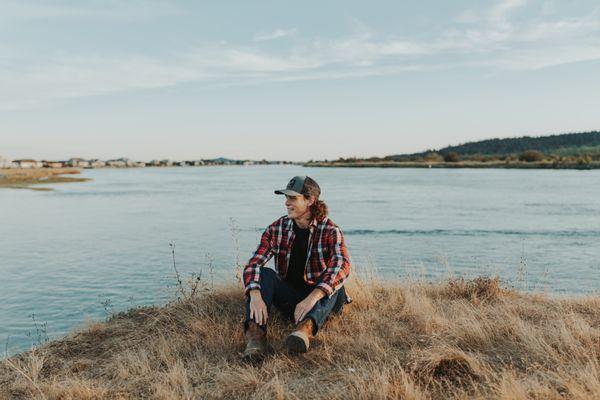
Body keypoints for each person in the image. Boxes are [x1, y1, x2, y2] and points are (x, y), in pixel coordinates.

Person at [242, 175, 352, 361]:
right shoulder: (277, 228)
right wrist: (254, 294)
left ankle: (303, 332)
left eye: (293, 198)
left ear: (310, 200)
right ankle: (256, 339)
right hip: (292, 300)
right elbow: (254, 264)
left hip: (322, 302)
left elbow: (342, 265)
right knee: (264, 274)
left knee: (334, 283)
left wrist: (313, 296)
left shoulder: (330, 230)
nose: (286, 203)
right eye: (286, 198)